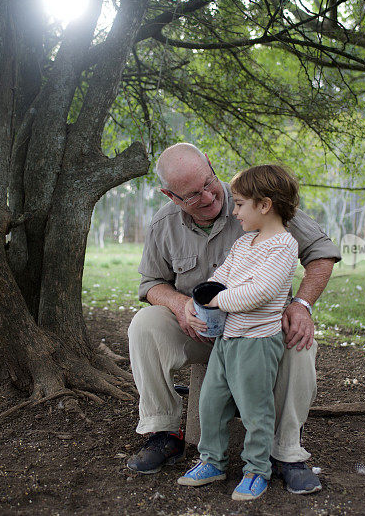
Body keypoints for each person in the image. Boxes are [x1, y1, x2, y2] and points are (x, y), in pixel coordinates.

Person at [127, 143, 340, 495]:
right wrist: (180, 304)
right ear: (170, 195)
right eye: (193, 195)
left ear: (210, 164)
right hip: (201, 332)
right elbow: (150, 284)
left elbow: (321, 252)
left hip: (260, 333)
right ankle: (163, 433)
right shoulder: (164, 223)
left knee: (301, 342)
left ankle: (286, 452)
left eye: (209, 183)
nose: (210, 196)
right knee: (144, 324)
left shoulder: (257, 198)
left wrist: (301, 304)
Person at [176, 164, 300, 501]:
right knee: (211, 403)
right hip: (227, 340)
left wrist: (218, 299)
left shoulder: (284, 247)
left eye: (240, 204)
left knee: (255, 410)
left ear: (265, 205)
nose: (234, 211)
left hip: (257, 344)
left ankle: (257, 470)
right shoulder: (245, 243)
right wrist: (198, 300)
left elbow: (259, 292)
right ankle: (212, 461)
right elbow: (223, 276)